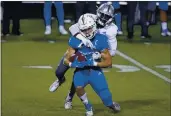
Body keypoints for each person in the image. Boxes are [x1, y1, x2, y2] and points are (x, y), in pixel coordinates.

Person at [49, 3, 118, 110]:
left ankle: (69, 98)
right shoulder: (90, 18)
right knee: (59, 70)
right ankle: (60, 79)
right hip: (77, 49)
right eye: (102, 15)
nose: (103, 18)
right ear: (98, 12)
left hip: (91, 54)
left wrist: (98, 54)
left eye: (107, 16)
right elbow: (72, 28)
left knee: (79, 75)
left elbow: (112, 51)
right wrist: (83, 39)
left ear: (111, 18)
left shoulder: (112, 29)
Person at [63, 14, 120, 116]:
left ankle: (111, 104)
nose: (87, 32)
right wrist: (73, 62)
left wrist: (93, 63)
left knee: (106, 99)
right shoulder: (75, 40)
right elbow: (66, 60)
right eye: (84, 30)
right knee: (78, 86)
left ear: (93, 26)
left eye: (88, 29)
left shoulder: (101, 39)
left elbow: (108, 62)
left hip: (95, 72)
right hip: (81, 71)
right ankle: (88, 107)